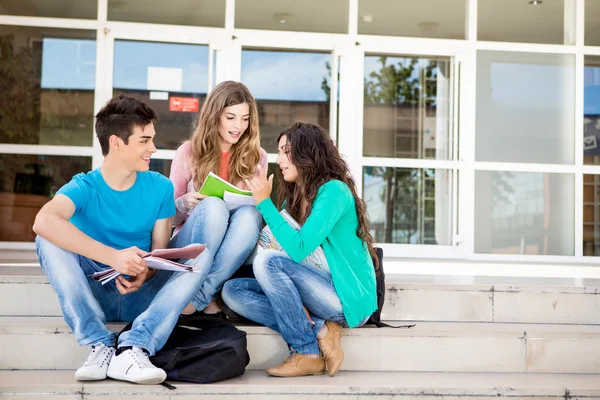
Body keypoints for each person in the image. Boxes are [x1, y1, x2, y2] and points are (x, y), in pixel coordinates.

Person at [33, 95, 213, 385]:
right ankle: (99, 342)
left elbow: (160, 252)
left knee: (202, 255)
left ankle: (134, 346)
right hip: (95, 291)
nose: (153, 148)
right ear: (116, 143)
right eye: (144, 140)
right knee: (47, 239)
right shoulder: (84, 186)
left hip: (141, 296)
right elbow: (43, 220)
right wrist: (113, 257)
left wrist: (146, 271)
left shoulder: (160, 187)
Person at [222, 122, 378, 377]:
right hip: (313, 289)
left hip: (344, 297)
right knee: (233, 291)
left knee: (268, 263)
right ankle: (321, 330)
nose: (279, 159)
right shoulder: (294, 198)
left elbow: (299, 249)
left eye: (286, 151)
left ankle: (306, 351)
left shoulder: (334, 191)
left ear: (307, 154)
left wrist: (264, 203)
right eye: (279, 151)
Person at [169, 81, 267, 319]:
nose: (239, 126)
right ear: (215, 116)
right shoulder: (188, 152)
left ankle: (201, 294)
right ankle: (201, 292)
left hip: (232, 246)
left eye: (245, 119)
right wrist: (184, 203)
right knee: (213, 205)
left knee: (251, 214)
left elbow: (257, 212)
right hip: (190, 243)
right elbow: (169, 220)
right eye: (231, 117)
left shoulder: (258, 157)